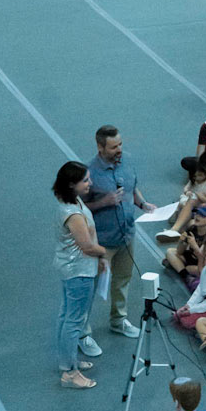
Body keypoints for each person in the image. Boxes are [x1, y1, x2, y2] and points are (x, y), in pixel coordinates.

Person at [84, 126, 153, 343]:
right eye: (113, 147)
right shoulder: (89, 173)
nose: (119, 150)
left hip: (126, 235)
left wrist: (142, 203)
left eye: (120, 144)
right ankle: (82, 331)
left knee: (123, 279)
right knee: (91, 287)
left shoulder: (126, 163)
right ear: (100, 147)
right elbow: (80, 208)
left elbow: (132, 188)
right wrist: (103, 202)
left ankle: (118, 320)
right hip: (103, 242)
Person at [51, 161, 109, 390]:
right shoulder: (72, 213)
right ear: (72, 185)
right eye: (85, 180)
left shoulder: (73, 202)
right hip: (79, 271)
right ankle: (69, 373)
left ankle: (69, 361)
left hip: (73, 268)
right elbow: (87, 246)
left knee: (67, 316)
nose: (90, 183)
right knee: (74, 320)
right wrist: (104, 252)